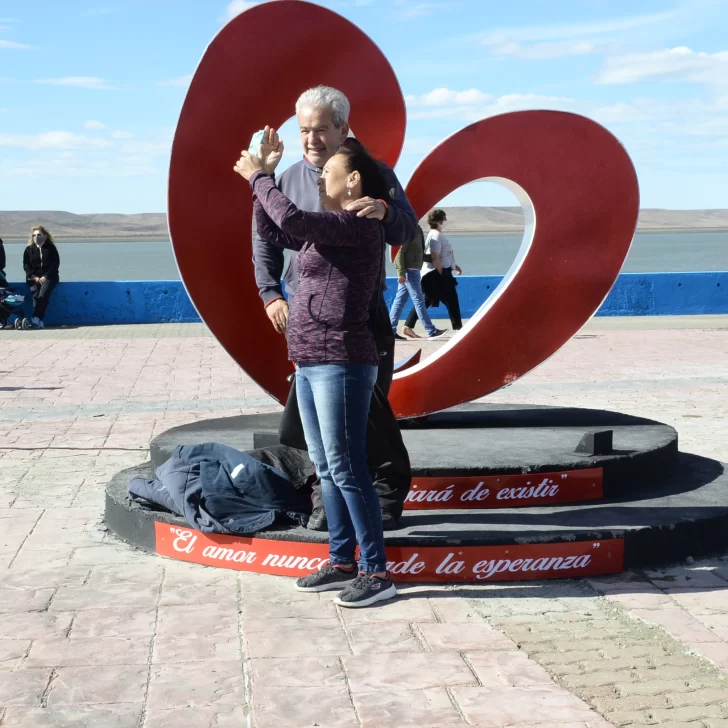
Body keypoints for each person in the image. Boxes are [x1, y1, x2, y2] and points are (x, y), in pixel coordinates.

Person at [235, 131, 397, 608]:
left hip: (341, 360)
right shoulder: (328, 225)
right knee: (326, 466)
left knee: (348, 468)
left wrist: (258, 176)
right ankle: (342, 560)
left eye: (328, 172)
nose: (319, 176)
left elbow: (289, 214)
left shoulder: (359, 225)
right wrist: (259, 183)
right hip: (308, 360)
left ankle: (376, 571)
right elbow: (272, 228)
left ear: (353, 181)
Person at [253, 86, 417, 531]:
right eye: (304, 129)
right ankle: (326, 501)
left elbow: (409, 227)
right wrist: (270, 293)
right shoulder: (285, 179)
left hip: (361, 315)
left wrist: (384, 210)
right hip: (306, 315)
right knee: (309, 420)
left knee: (369, 411)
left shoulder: (371, 172)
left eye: (321, 129)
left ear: (343, 128)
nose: (311, 139)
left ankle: (384, 496)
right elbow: (270, 237)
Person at [403, 209, 463, 337]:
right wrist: (442, 273)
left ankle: (408, 326)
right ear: (439, 221)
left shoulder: (435, 234)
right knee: (451, 300)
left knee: (428, 299)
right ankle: (459, 329)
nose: (445, 223)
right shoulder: (436, 235)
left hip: (438, 271)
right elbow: (435, 256)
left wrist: (454, 266)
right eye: (443, 220)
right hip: (437, 273)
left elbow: (444, 255)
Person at [389, 226, 446, 340]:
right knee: (419, 300)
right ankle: (431, 330)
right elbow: (399, 252)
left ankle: (390, 331)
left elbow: (420, 252)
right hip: (409, 271)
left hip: (414, 269)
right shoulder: (406, 229)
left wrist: (434, 259)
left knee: (399, 301)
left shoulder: (418, 229)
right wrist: (401, 272)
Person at [22, 226, 60, 329]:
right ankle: (39, 321)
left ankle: (35, 318)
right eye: (34, 235)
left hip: (50, 277)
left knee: (43, 294)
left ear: (45, 236)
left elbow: (55, 264)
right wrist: (33, 276)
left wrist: (45, 276)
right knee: (36, 295)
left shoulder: (51, 248)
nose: (36, 237)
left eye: (39, 235)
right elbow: (26, 266)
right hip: (33, 278)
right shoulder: (28, 250)